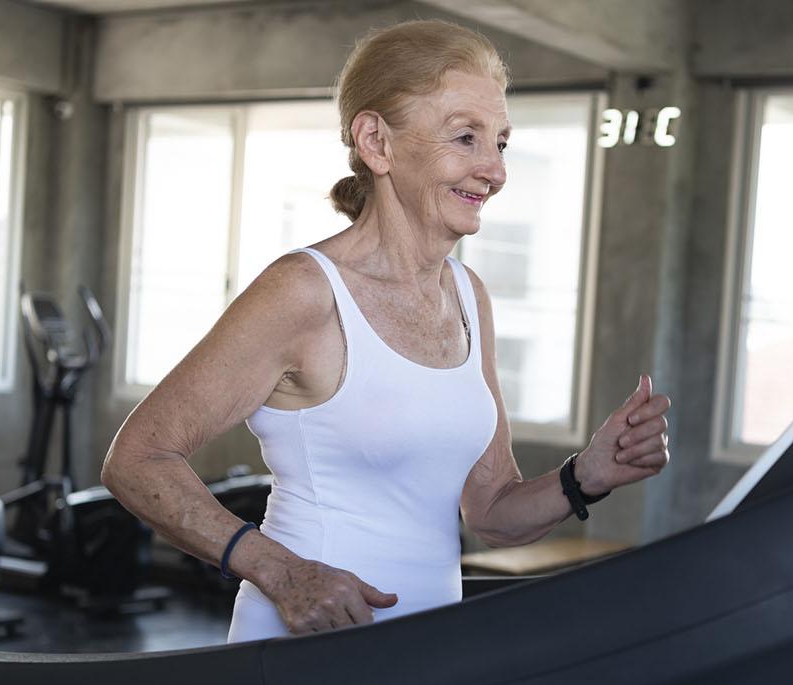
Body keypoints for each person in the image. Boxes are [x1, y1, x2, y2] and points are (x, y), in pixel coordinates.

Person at [101, 19, 671, 643]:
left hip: (423, 655)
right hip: (305, 654)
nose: (495, 170)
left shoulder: (468, 297)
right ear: (376, 141)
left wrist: (584, 475)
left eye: (501, 143)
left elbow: (492, 511)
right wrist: (280, 572)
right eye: (466, 137)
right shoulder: (304, 291)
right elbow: (137, 459)